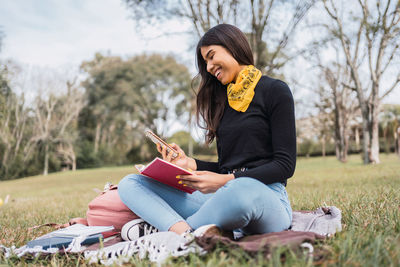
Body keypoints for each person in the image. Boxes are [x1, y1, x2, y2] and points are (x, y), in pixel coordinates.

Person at [118, 24, 296, 239]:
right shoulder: (223, 104)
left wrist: (225, 181)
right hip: (220, 198)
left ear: (233, 46)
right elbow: (227, 166)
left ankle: (165, 233)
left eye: (211, 57)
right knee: (131, 183)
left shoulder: (275, 91)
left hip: (264, 196)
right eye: (206, 63)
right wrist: (189, 164)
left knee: (241, 189)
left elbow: (284, 166)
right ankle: (186, 234)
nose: (210, 67)